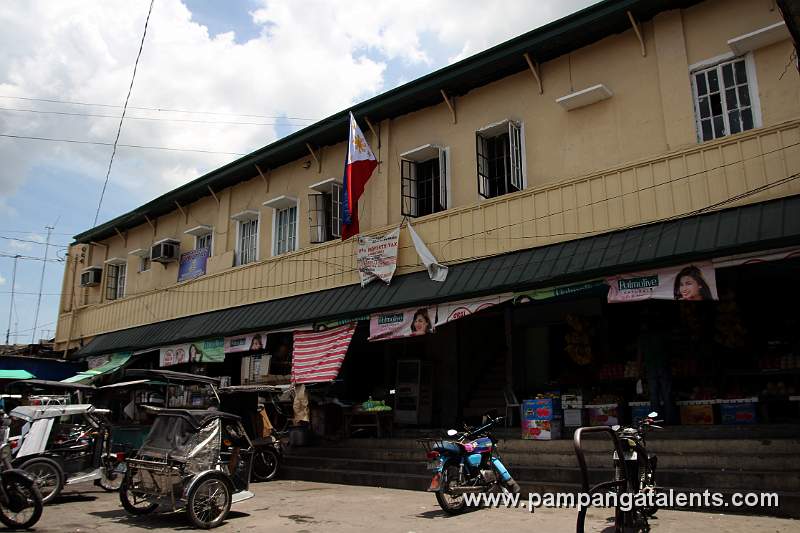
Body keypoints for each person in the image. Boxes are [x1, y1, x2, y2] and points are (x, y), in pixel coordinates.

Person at [637, 316, 673, 424]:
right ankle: (670, 419)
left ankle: (657, 420)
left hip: (651, 369)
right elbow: (669, 351)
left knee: (654, 395)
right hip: (663, 367)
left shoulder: (643, 337)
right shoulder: (662, 336)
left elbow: (639, 356)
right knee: (667, 394)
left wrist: (639, 370)